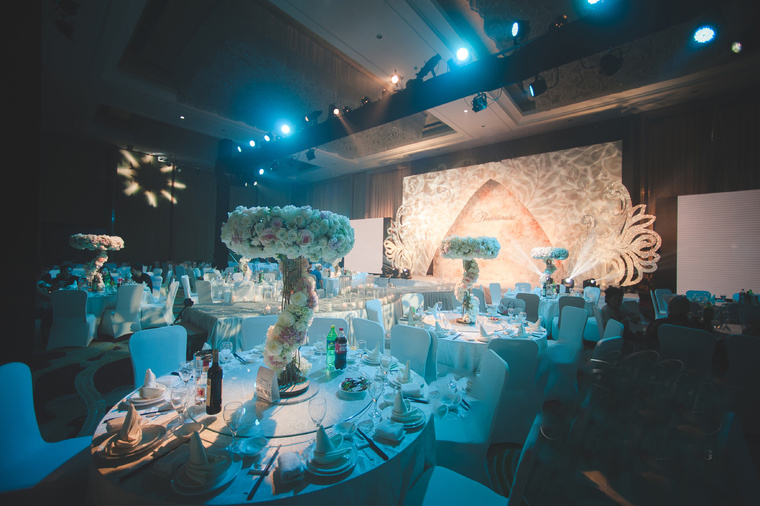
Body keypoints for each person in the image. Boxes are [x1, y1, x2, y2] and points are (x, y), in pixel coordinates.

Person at [644, 294, 712, 345]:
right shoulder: (698, 327)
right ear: (688, 309)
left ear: (669, 308)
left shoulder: (657, 325)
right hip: (691, 359)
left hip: (664, 358)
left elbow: (648, 344)